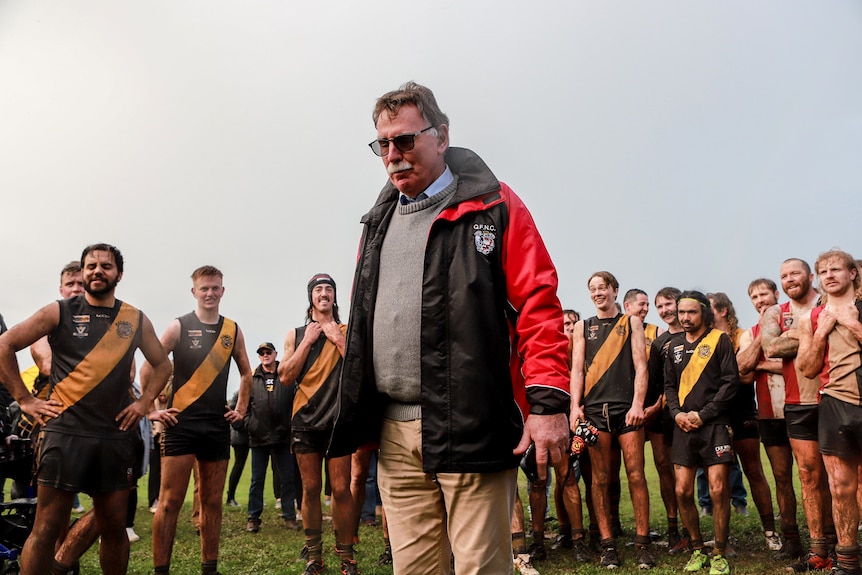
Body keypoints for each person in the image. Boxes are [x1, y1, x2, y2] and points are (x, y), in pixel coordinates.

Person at [328, 81, 570, 575]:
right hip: (395, 431)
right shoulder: (377, 221)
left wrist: (547, 405)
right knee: (413, 569)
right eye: (383, 144)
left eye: (405, 140)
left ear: (440, 136)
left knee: (480, 567)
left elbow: (539, 307)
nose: (393, 154)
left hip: (473, 424)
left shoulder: (495, 205)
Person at [0, 243, 173, 575]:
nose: (97, 271)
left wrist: (142, 403)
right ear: (83, 271)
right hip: (64, 433)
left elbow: (162, 367)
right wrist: (25, 400)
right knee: (47, 526)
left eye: (105, 266)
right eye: (90, 265)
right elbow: (5, 345)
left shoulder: (133, 318)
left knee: (113, 527)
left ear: (118, 274)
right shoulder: (59, 311)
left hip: (114, 435)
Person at [144, 265, 252, 575]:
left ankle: (209, 569)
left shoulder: (231, 329)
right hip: (181, 425)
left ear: (223, 291)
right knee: (169, 502)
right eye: (204, 288)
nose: (209, 293)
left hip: (216, 427)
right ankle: (161, 570)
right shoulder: (178, 326)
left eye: (215, 287)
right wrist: (150, 407)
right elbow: (150, 365)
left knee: (212, 502)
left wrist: (241, 408)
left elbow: (247, 372)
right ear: (194, 291)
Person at [571, 272, 654, 569]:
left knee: (635, 475)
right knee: (600, 478)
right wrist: (575, 407)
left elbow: (641, 367)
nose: (597, 293)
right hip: (594, 412)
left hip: (627, 411)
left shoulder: (630, 322)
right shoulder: (582, 327)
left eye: (602, 288)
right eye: (592, 289)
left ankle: (643, 544)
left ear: (615, 291)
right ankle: (608, 545)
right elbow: (577, 370)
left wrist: (638, 404)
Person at [759, 258, 835, 570]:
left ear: (810, 275)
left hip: (835, 397)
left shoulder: (829, 300)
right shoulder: (776, 312)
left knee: (844, 478)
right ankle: (819, 549)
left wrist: (794, 336)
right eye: (784, 276)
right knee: (809, 477)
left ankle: (842, 546)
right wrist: (813, 332)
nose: (790, 279)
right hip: (798, 403)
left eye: (795, 273)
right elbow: (771, 348)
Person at [278, 274, 356, 575]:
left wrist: (336, 338)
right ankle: (313, 556)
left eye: (329, 289)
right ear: (311, 297)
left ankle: (347, 556)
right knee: (310, 489)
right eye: (318, 289)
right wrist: (308, 342)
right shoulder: (296, 334)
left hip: (338, 420)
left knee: (341, 489)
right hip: (306, 421)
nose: (324, 293)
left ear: (334, 298)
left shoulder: (347, 330)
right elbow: (285, 376)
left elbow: (358, 367)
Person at [664, 290, 739, 575]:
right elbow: (669, 387)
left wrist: (703, 414)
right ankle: (697, 549)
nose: (685, 317)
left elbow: (730, 383)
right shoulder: (672, 346)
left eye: (691, 312)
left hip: (714, 426)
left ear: (704, 313)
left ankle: (719, 551)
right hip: (683, 426)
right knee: (682, 490)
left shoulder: (719, 340)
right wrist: (677, 414)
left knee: (719, 489)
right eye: (681, 312)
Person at [797, 249, 862, 575]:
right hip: (835, 405)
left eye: (837, 269)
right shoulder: (813, 316)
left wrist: (853, 324)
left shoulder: (860, 310)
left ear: (853, 273)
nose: (830, 275)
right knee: (839, 488)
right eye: (823, 271)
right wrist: (821, 331)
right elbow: (807, 368)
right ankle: (848, 562)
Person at [708, 293, 777, 550]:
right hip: (716, 417)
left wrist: (722, 379)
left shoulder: (742, 336)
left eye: (710, 309)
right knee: (720, 478)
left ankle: (770, 532)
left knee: (754, 471)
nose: (705, 314)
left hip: (742, 411)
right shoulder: (706, 340)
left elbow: (747, 375)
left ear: (724, 310)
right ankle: (722, 539)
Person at [736, 279, 799, 555]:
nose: (760, 300)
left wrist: (763, 363)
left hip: (804, 406)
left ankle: (829, 535)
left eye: (764, 295)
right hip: (769, 413)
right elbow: (743, 370)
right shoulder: (749, 333)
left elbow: (805, 362)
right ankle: (791, 537)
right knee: (782, 477)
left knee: (815, 476)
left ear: (776, 294)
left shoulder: (796, 320)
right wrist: (765, 340)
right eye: (754, 297)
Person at [245, 342, 299, 532]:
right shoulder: (251, 378)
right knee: (256, 480)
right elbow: (242, 405)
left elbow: (296, 402)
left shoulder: (286, 376)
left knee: (287, 479)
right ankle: (253, 517)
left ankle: (289, 517)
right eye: (262, 353)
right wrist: (249, 425)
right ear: (259, 356)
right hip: (258, 437)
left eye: (268, 352)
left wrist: (292, 427)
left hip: (283, 436)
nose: (265, 355)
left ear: (275, 354)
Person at [645, 287, 683, 552]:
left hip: (696, 415)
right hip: (664, 416)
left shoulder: (703, 335)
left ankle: (708, 532)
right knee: (664, 468)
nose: (664, 311)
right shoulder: (659, 343)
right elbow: (653, 383)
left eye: (668, 304)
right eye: (659, 307)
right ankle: (673, 529)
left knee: (692, 473)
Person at [224, 390, 249, 508]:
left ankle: (255, 497)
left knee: (258, 467)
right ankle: (230, 497)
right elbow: (232, 413)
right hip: (241, 435)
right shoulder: (239, 393)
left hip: (256, 432)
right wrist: (241, 425)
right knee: (239, 466)